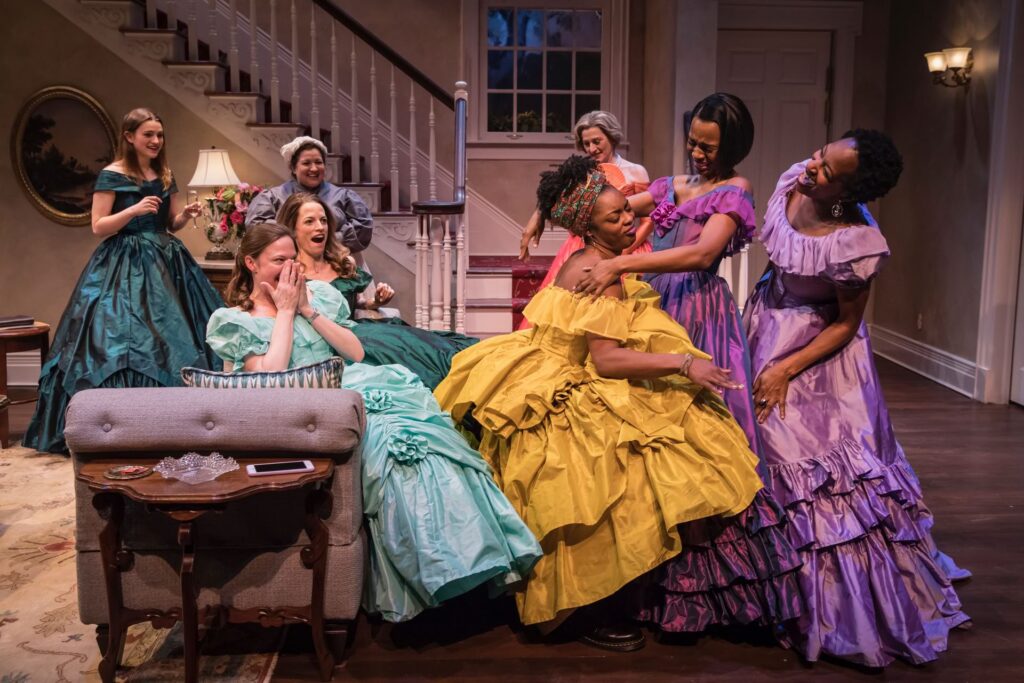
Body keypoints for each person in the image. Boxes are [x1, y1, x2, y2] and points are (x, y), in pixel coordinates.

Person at [435, 156, 801, 651]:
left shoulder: (583, 258)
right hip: (568, 376)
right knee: (620, 476)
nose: (630, 220)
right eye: (617, 217)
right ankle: (589, 606)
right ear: (589, 227)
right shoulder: (601, 273)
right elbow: (606, 360)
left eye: (627, 211)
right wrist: (683, 364)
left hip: (546, 362)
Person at [205, 222, 541, 623]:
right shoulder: (235, 320)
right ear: (251, 263)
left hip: (361, 384)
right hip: (314, 407)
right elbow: (274, 371)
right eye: (279, 260)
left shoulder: (319, 297)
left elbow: (356, 352)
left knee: (435, 444)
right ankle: (435, 575)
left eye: (293, 259)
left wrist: (308, 309)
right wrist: (286, 311)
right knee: (394, 456)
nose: (290, 269)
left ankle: (480, 560)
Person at [744, 131, 970, 667]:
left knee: (801, 463)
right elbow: (781, 260)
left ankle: (822, 602)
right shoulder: (796, 180)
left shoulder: (855, 241)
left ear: (849, 191)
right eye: (820, 154)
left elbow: (846, 324)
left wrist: (784, 369)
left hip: (818, 351)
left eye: (827, 170)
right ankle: (745, 583)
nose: (812, 166)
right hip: (766, 324)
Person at [23, 108, 222, 454]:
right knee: (125, 336)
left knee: (176, 333)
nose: (156, 141)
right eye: (148, 134)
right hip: (123, 261)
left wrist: (184, 216)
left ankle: (180, 424)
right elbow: (98, 225)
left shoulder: (164, 174)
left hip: (167, 260)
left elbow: (169, 224)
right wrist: (132, 210)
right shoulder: (112, 174)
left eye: (159, 135)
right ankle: (116, 423)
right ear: (129, 137)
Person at [574, 93, 762, 455]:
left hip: (697, 307)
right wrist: (548, 210)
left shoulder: (735, 190)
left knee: (694, 413)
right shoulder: (670, 186)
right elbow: (609, 210)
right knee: (647, 405)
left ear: (732, 148)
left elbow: (702, 254)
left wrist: (620, 264)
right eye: (693, 142)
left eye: (708, 148)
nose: (697, 153)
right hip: (653, 300)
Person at [276, 192, 478, 390]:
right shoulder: (287, 274)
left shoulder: (342, 262)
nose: (320, 227)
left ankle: (472, 377)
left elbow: (354, 304)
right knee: (411, 363)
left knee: (429, 347)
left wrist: (375, 302)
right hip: (333, 346)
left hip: (362, 331)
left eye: (323, 220)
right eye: (309, 221)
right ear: (293, 230)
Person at [517, 112, 653, 328]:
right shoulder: (581, 173)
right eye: (586, 143)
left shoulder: (635, 171)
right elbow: (551, 194)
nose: (591, 148)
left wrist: (622, 254)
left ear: (611, 137)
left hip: (630, 245)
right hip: (584, 246)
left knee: (625, 318)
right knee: (572, 313)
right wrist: (538, 215)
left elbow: (648, 220)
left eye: (597, 141)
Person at [245, 136, 373, 255]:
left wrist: (329, 240)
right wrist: (296, 240)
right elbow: (258, 228)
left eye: (318, 162)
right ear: (293, 168)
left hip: (337, 261)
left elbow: (363, 227)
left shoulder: (344, 196)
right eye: (306, 163)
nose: (314, 168)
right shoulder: (272, 197)